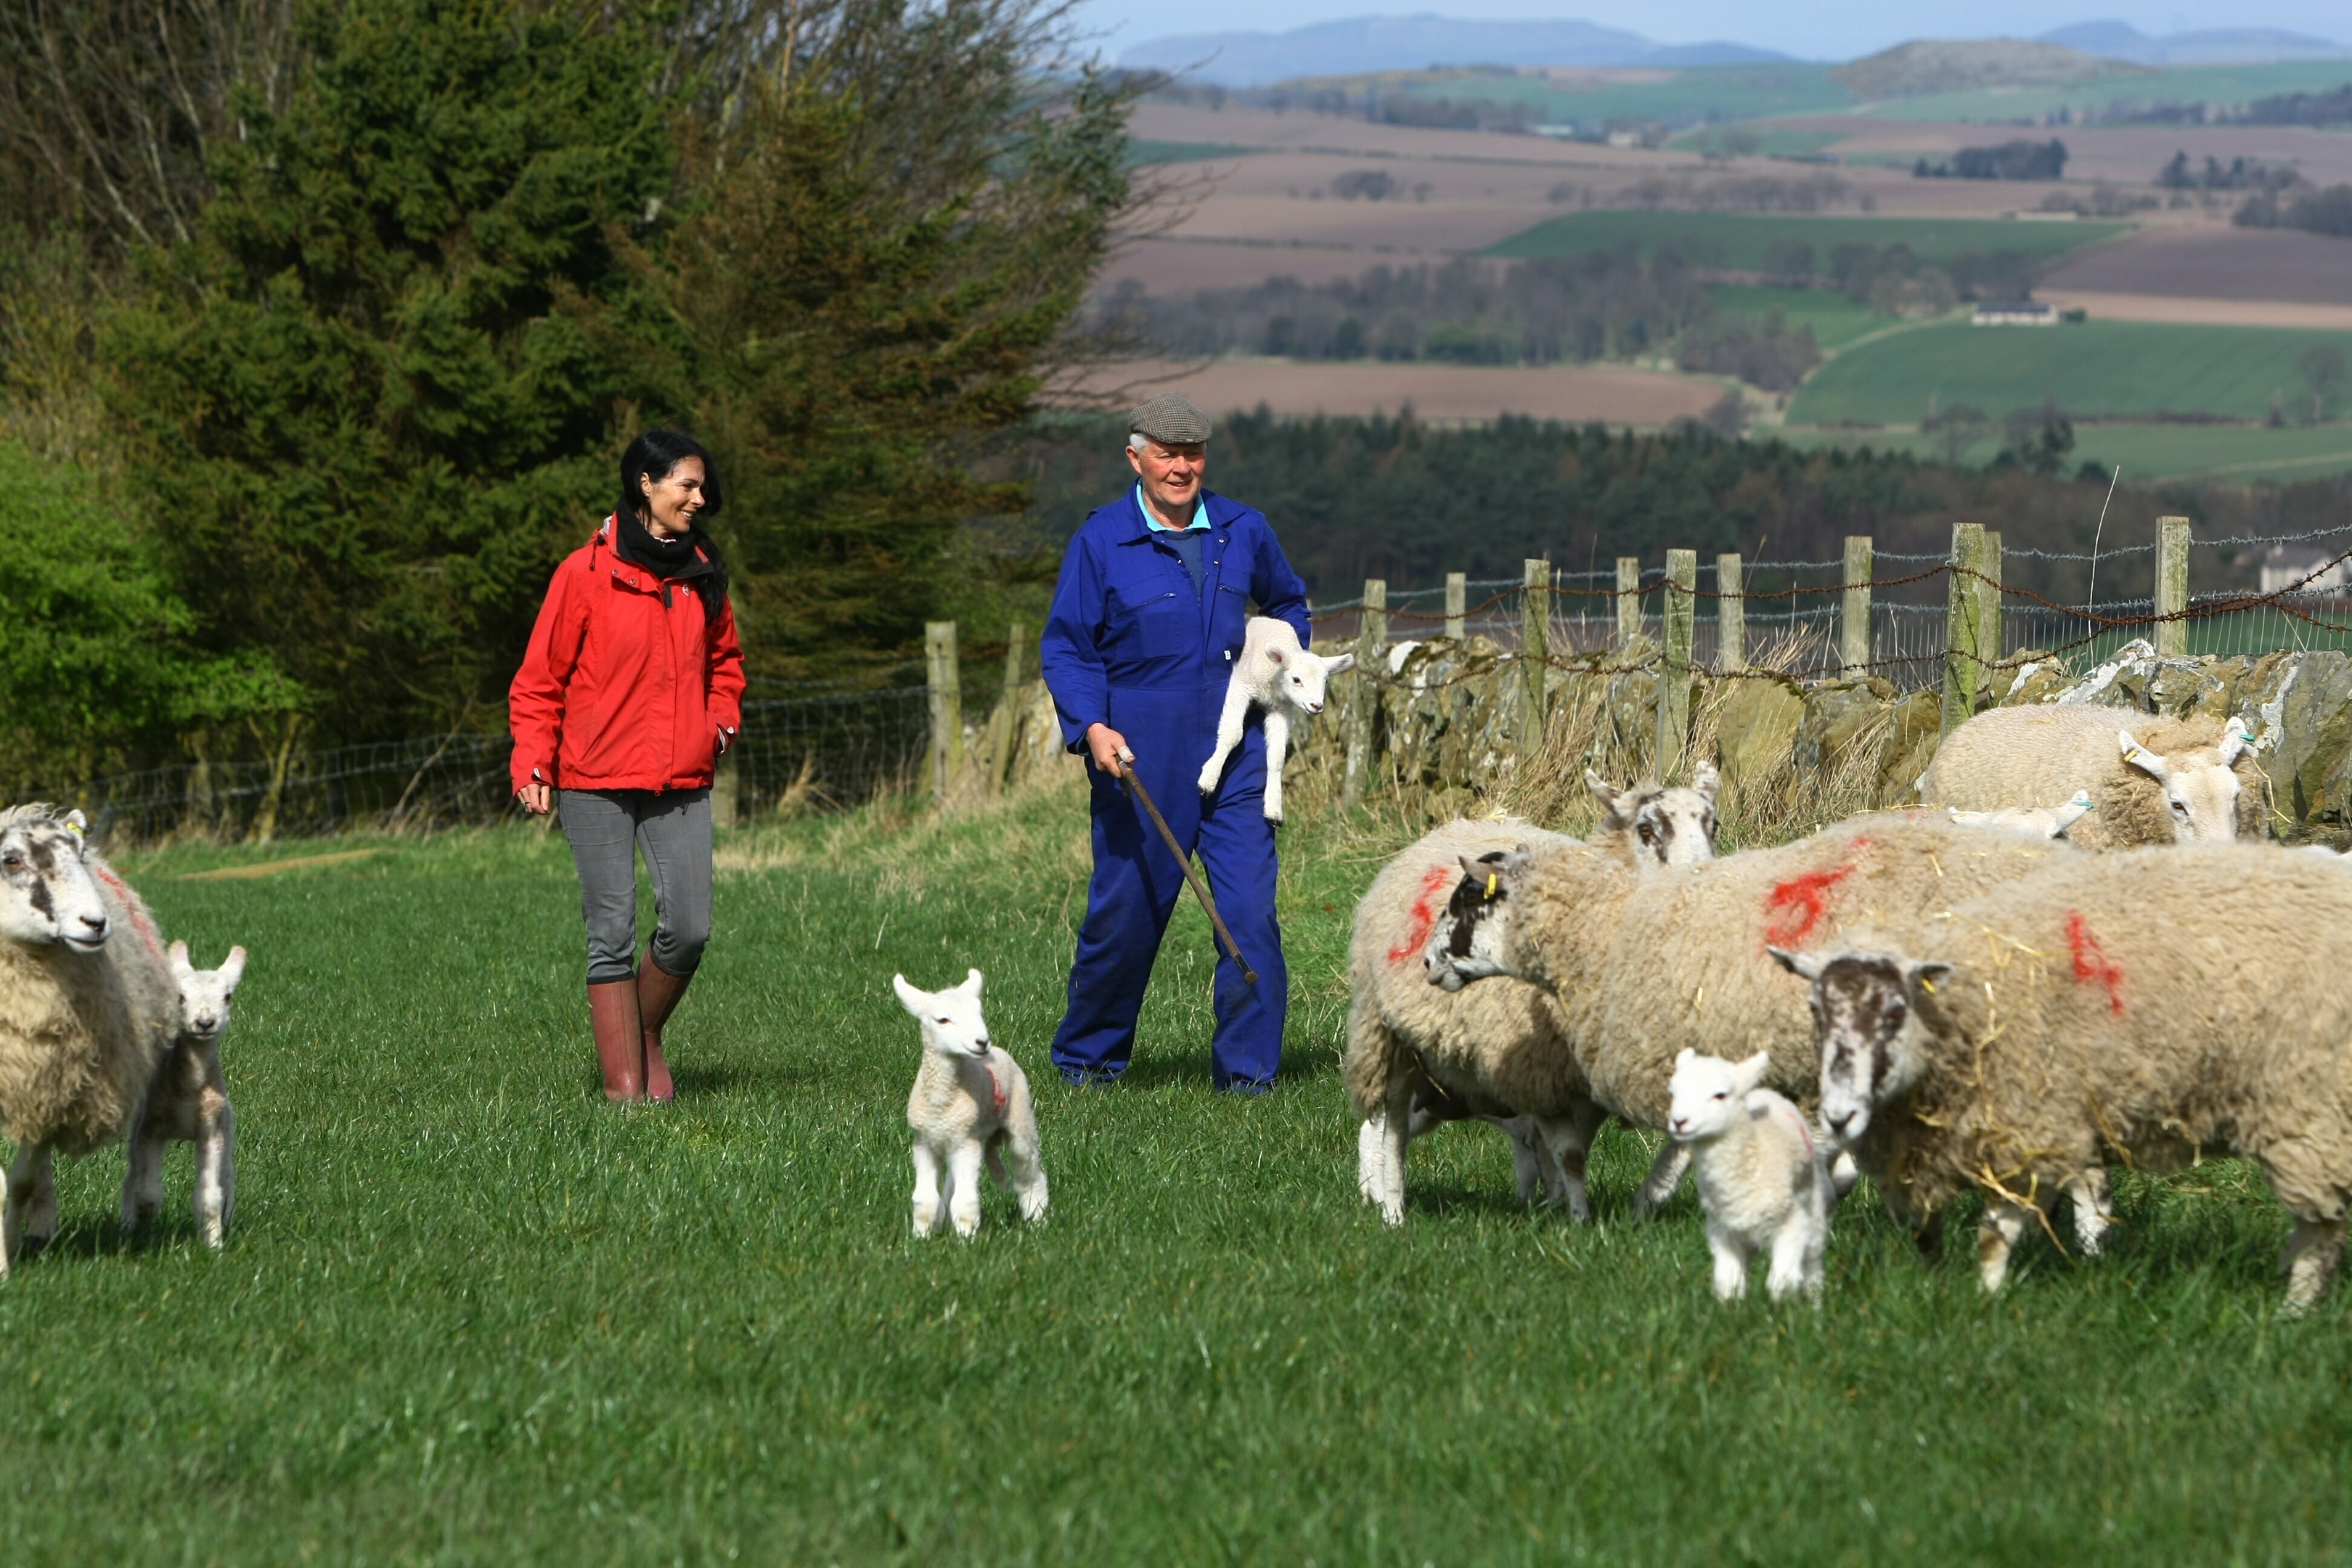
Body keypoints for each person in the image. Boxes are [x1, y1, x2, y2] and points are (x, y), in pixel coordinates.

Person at [1039, 394, 1312, 1092]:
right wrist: (1091, 727)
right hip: (1139, 752)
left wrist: (1281, 653)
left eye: (1193, 453)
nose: (1181, 466)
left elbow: (1288, 603)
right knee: (1127, 916)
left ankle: (1248, 1078)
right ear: (1136, 458)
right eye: (1167, 453)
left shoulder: (1243, 530)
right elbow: (1068, 648)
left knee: (1248, 914)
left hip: (1235, 750)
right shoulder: (1101, 540)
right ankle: (1087, 1065)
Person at [510, 430, 745, 1102]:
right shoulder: (583, 573)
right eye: (687, 486)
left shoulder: (703, 571)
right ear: (646, 483)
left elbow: (727, 665)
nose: (699, 499)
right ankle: (624, 1091)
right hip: (592, 779)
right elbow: (538, 681)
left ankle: (642, 1033)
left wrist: (718, 727)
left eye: (702, 489)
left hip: (681, 777)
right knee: (610, 934)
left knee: (691, 927)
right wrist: (533, 763)